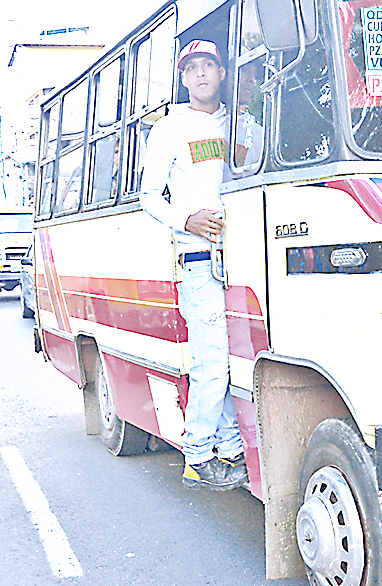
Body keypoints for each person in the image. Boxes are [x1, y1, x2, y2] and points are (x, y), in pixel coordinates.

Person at [139, 39, 247, 491]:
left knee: (224, 360)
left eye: (209, 65)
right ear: (183, 79)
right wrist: (187, 219)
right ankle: (198, 457)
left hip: (242, 260)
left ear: (222, 73)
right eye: (192, 69)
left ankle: (233, 447)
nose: (201, 74)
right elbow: (147, 197)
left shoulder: (244, 125)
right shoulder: (170, 128)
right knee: (212, 363)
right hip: (199, 262)